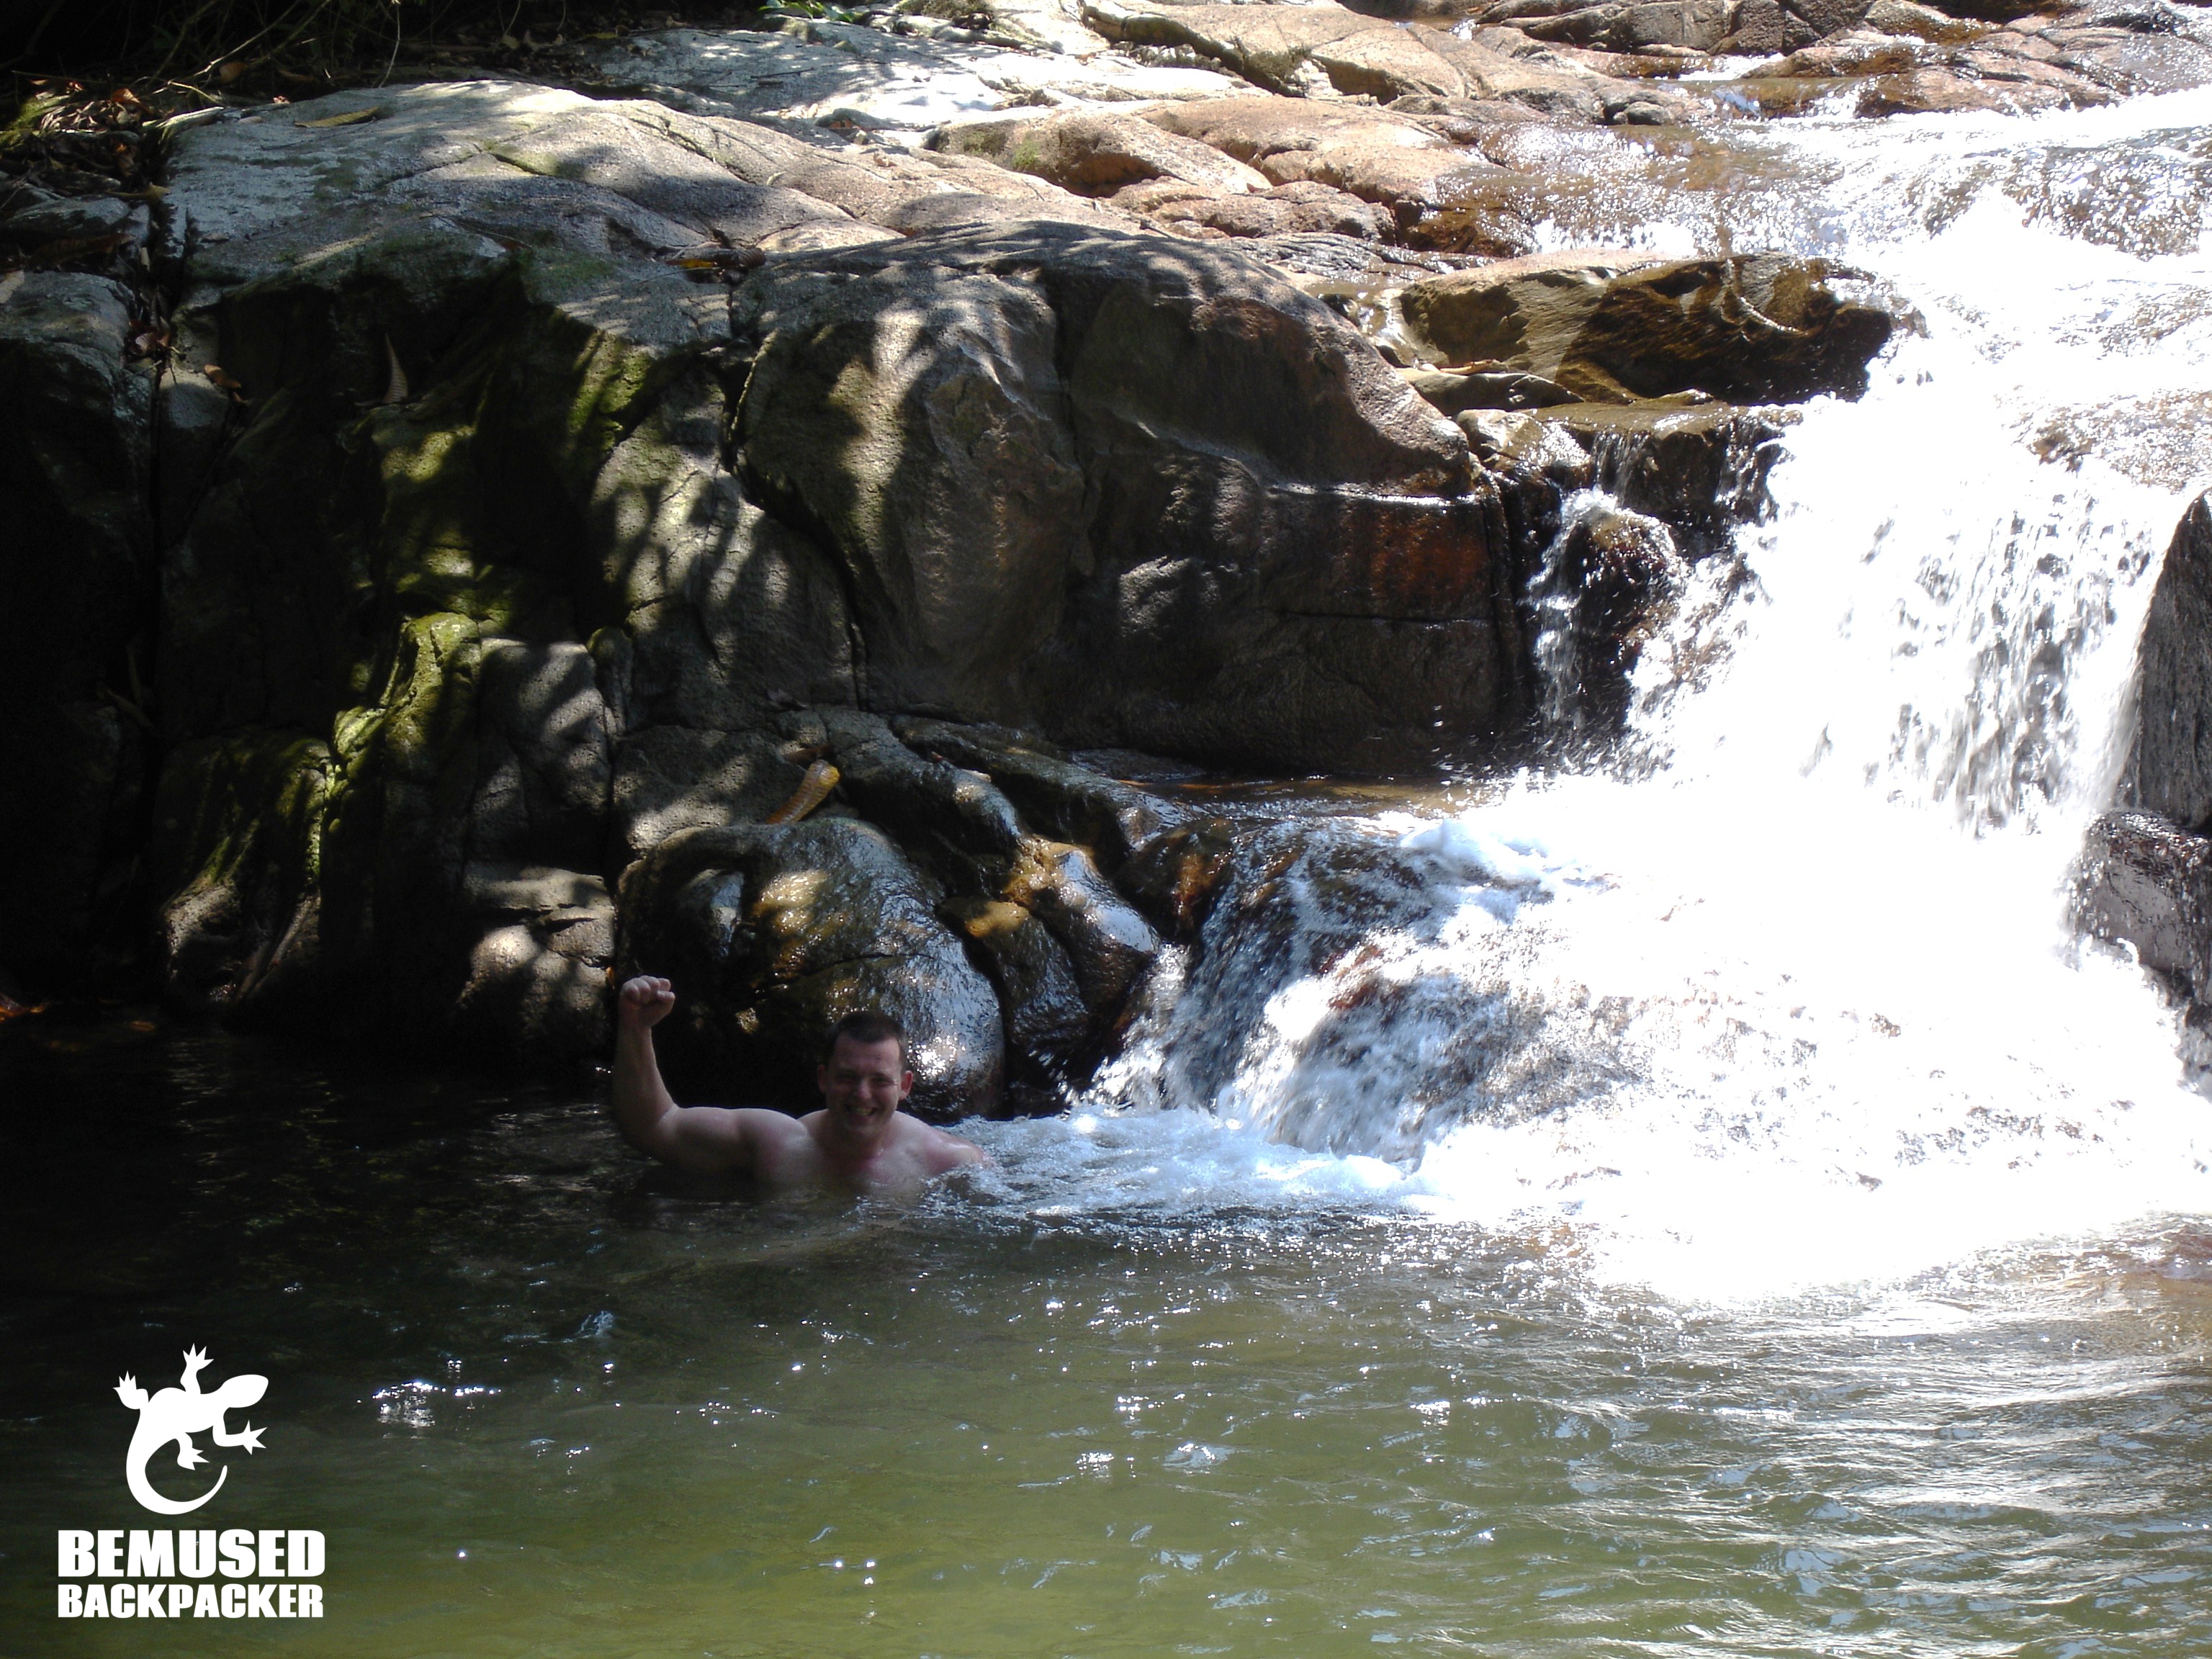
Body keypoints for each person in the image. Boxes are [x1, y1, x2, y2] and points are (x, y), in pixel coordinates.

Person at [611, 975, 989, 1194]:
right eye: (847, 1077)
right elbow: (655, 1127)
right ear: (823, 1078)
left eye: (880, 1081)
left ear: (905, 1086)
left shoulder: (946, 1160)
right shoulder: (777, 1144)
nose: (862, 1095)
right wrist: (636, 1028)